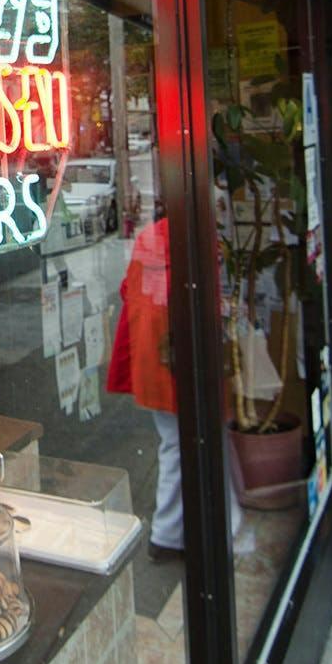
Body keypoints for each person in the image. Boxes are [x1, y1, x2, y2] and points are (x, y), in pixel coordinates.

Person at [107, 214, 241, 556]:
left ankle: (182, 529)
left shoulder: (151, 242)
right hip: (179, 366)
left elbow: (128, 291)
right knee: (183, 444)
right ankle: (169, 534)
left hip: (155, 364)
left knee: (178, 442)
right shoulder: (194, 248)